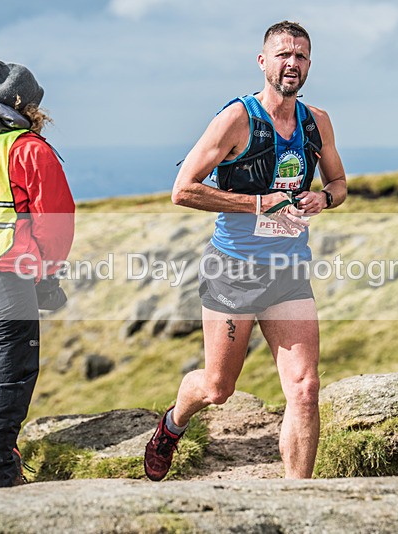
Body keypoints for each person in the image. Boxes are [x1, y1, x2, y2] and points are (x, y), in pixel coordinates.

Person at [144, 21, 347, 481]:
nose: (292, 63)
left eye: (300, 56)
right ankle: (173, 424)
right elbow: (183, 190)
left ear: (309, 64)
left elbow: (339, 183)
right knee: (218, 389)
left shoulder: (317, 122)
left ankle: (299, 500)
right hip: (234, 270)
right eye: (283, 54)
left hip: (288, 271)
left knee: (305, 388)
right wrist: (257, 203)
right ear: (262, 61)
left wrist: (325, 198)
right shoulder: (237, 119)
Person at [0, 61, 75, 489]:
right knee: (10, 384)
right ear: (28, 106)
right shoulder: (29, 149)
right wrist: (48, 276)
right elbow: (56, 224)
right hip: (4, 282)